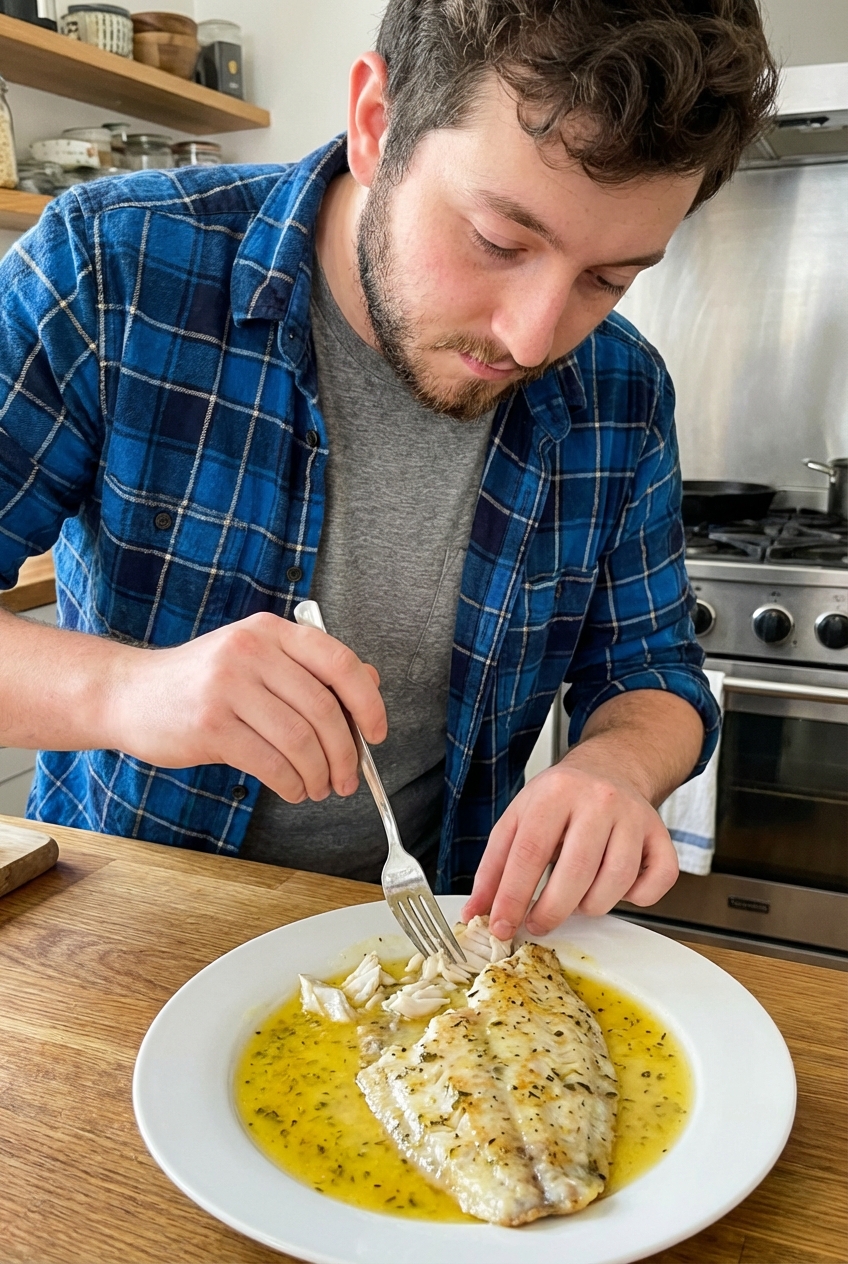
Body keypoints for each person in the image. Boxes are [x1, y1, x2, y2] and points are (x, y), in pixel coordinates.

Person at [0, 0, 776, 941]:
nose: (534, 339)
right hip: (129, 928)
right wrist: (127, 692)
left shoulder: (622, 389)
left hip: (433, 942)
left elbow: (650, 667)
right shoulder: (110, 268)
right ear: (376, 122)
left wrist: (617, 766)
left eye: (607, 279)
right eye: (499, 242)